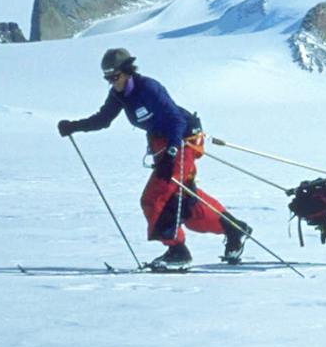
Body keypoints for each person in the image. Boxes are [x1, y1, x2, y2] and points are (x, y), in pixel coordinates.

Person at [57, 47, 249, 269]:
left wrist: (172, 152)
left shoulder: (148, 88)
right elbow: (103, 119)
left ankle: (178, 252)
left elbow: (176, 120)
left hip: (181, 140)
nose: (112, 82)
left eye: (115, 77)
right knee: (184, 201)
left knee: (154, 198)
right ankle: (234, 229)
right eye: (107, 78)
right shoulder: (119, 95)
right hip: (163, 144)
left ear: (127, 71)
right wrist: (75, 126)